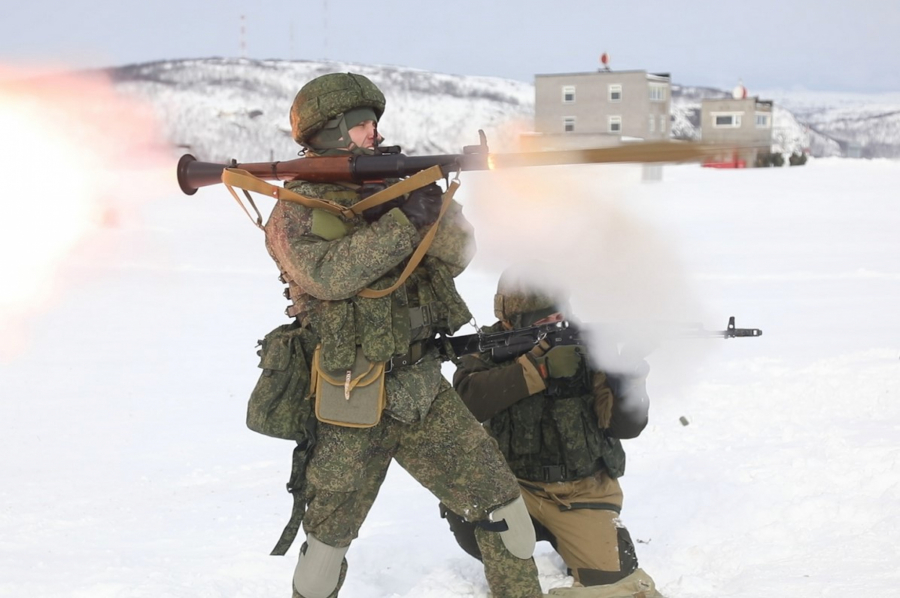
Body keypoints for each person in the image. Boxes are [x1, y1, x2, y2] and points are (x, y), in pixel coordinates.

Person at [262, 72, 549, 598]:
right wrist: (399, 223)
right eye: (361, 125)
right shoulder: (295, 208)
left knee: (505, 511)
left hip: (421, 388)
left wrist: (429, 211)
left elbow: (459, 256)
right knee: (326, 546)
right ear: (329, 132)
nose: (374, 133)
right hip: (349, 396)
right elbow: (328, 276)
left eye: (374, 123)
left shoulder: (395, 187)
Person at [441, 268, 664, 598]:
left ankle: (569, 541)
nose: (556, 322)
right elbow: (467, 402)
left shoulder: (587, 345)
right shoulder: (488, 347)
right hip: (514, 490)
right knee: (468, 510)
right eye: (542, 318)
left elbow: (625, 427)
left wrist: (629, 375)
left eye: (560, 313)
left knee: (618, 585)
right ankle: (518, 549)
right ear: (511, 320)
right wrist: (537, 369)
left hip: (582, 494)